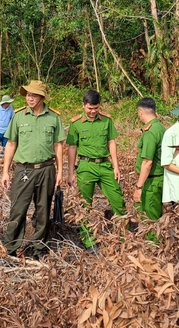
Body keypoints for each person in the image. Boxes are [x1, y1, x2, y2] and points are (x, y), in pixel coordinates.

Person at [2, 80, 64, 259]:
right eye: (28, 95)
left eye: (34, 95)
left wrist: (60, 172)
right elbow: (11, 144)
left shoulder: (54, 118)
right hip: (24, 170)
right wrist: (6, 171)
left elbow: (58, 146)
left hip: (46, 170)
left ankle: (39, 249)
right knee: (18, 210)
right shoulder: (19, 116)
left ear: (42, 97)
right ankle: (11, 250)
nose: (29, 98)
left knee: (43, 211)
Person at [67, 89, 126, 253]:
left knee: (118, 200)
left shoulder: (106, 121)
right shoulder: (76, 123)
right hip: (85, 167)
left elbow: (111, 142)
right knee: (85, 205)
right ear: (83, 105)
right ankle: (89, 240)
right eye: (89, 108)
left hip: (105, 166)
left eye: (96, 108)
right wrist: (70, 172)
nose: (92, 112)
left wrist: (116, 166)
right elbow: (72, 147)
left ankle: (122, 237)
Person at [133, 98, 166, 235]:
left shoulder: (151, 132)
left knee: (150, 219)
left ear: (140, 113)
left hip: (151, 182)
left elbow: (147, 163)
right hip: (159, 179)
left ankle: (152, 249)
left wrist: (138, 187)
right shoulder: (161, 128)